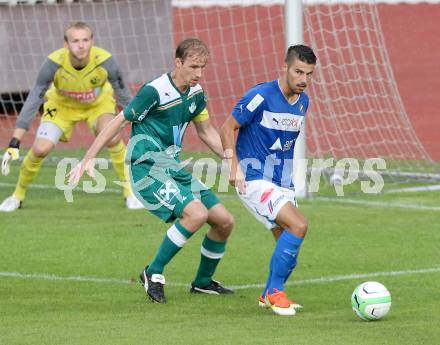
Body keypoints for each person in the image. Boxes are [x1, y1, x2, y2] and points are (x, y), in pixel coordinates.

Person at [69, 38, 235, 303]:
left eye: (202, 67)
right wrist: (88, 157)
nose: (198, 74)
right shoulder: (155, 91)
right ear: (177, 62)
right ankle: (153, 272)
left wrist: (231, 159)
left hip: (172, 167)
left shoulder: (196, 92)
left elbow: (205, 131)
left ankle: (203, 283)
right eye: (193, 67)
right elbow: (118, 122)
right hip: (147, 170)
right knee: (196, 214)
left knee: (224, 221)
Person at [0, 21, 143, 211]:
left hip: (98, 105)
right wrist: (15, 141)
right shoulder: (53, 63)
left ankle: (129, 193)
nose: (81, 45)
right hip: (61, 106)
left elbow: (124, 96)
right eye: (75, 41)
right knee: (40, 149)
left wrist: (144, 122)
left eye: (85, 40)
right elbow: (34, 97)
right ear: (66, 44)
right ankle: (17, 196)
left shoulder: (105, 61)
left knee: (113, 137)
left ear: (92, 42)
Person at [220, 44, 317, 316]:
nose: (303, 79)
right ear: (284, 67)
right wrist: (234, 167)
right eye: (298, 71)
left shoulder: (303, 102)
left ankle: (267, 293)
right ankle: (275, 293)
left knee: (289, 252)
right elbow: (227, 127)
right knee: (299, 225)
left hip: (282, 181)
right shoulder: (260, 95)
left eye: (309, 74)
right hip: (253, 178)